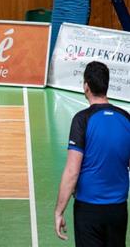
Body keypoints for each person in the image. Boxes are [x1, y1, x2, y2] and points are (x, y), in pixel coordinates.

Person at [54, 61, 130, 246]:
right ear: (106, 86)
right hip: (118, 210)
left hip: (88, 210)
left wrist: (59, 211)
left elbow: (72, 171)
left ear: (86, 86)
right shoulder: (126, 119)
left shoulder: (82, 120)